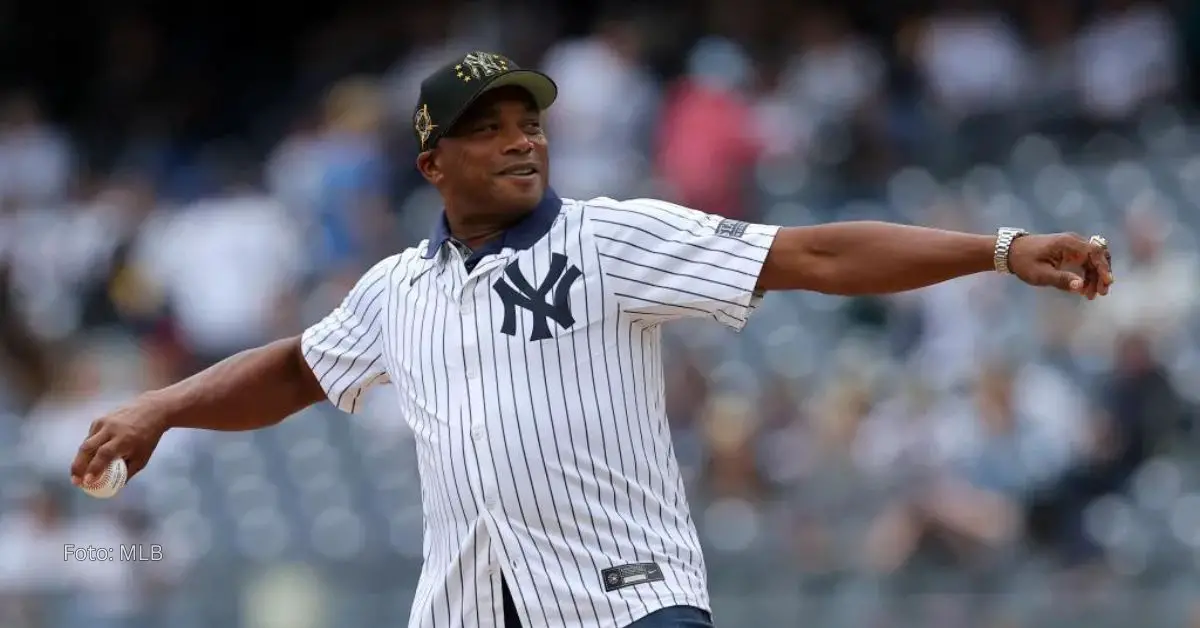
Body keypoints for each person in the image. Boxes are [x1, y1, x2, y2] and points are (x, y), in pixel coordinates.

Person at [70, 51, 1114, 628]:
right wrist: (164, 405)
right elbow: (297, 369)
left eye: (529, 120)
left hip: (630, 604)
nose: (522, 137)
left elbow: (815, 256)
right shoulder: (395, 289)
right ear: (434, 162)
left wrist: (1000, 245)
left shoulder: (610, 237)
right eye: (488, 126)